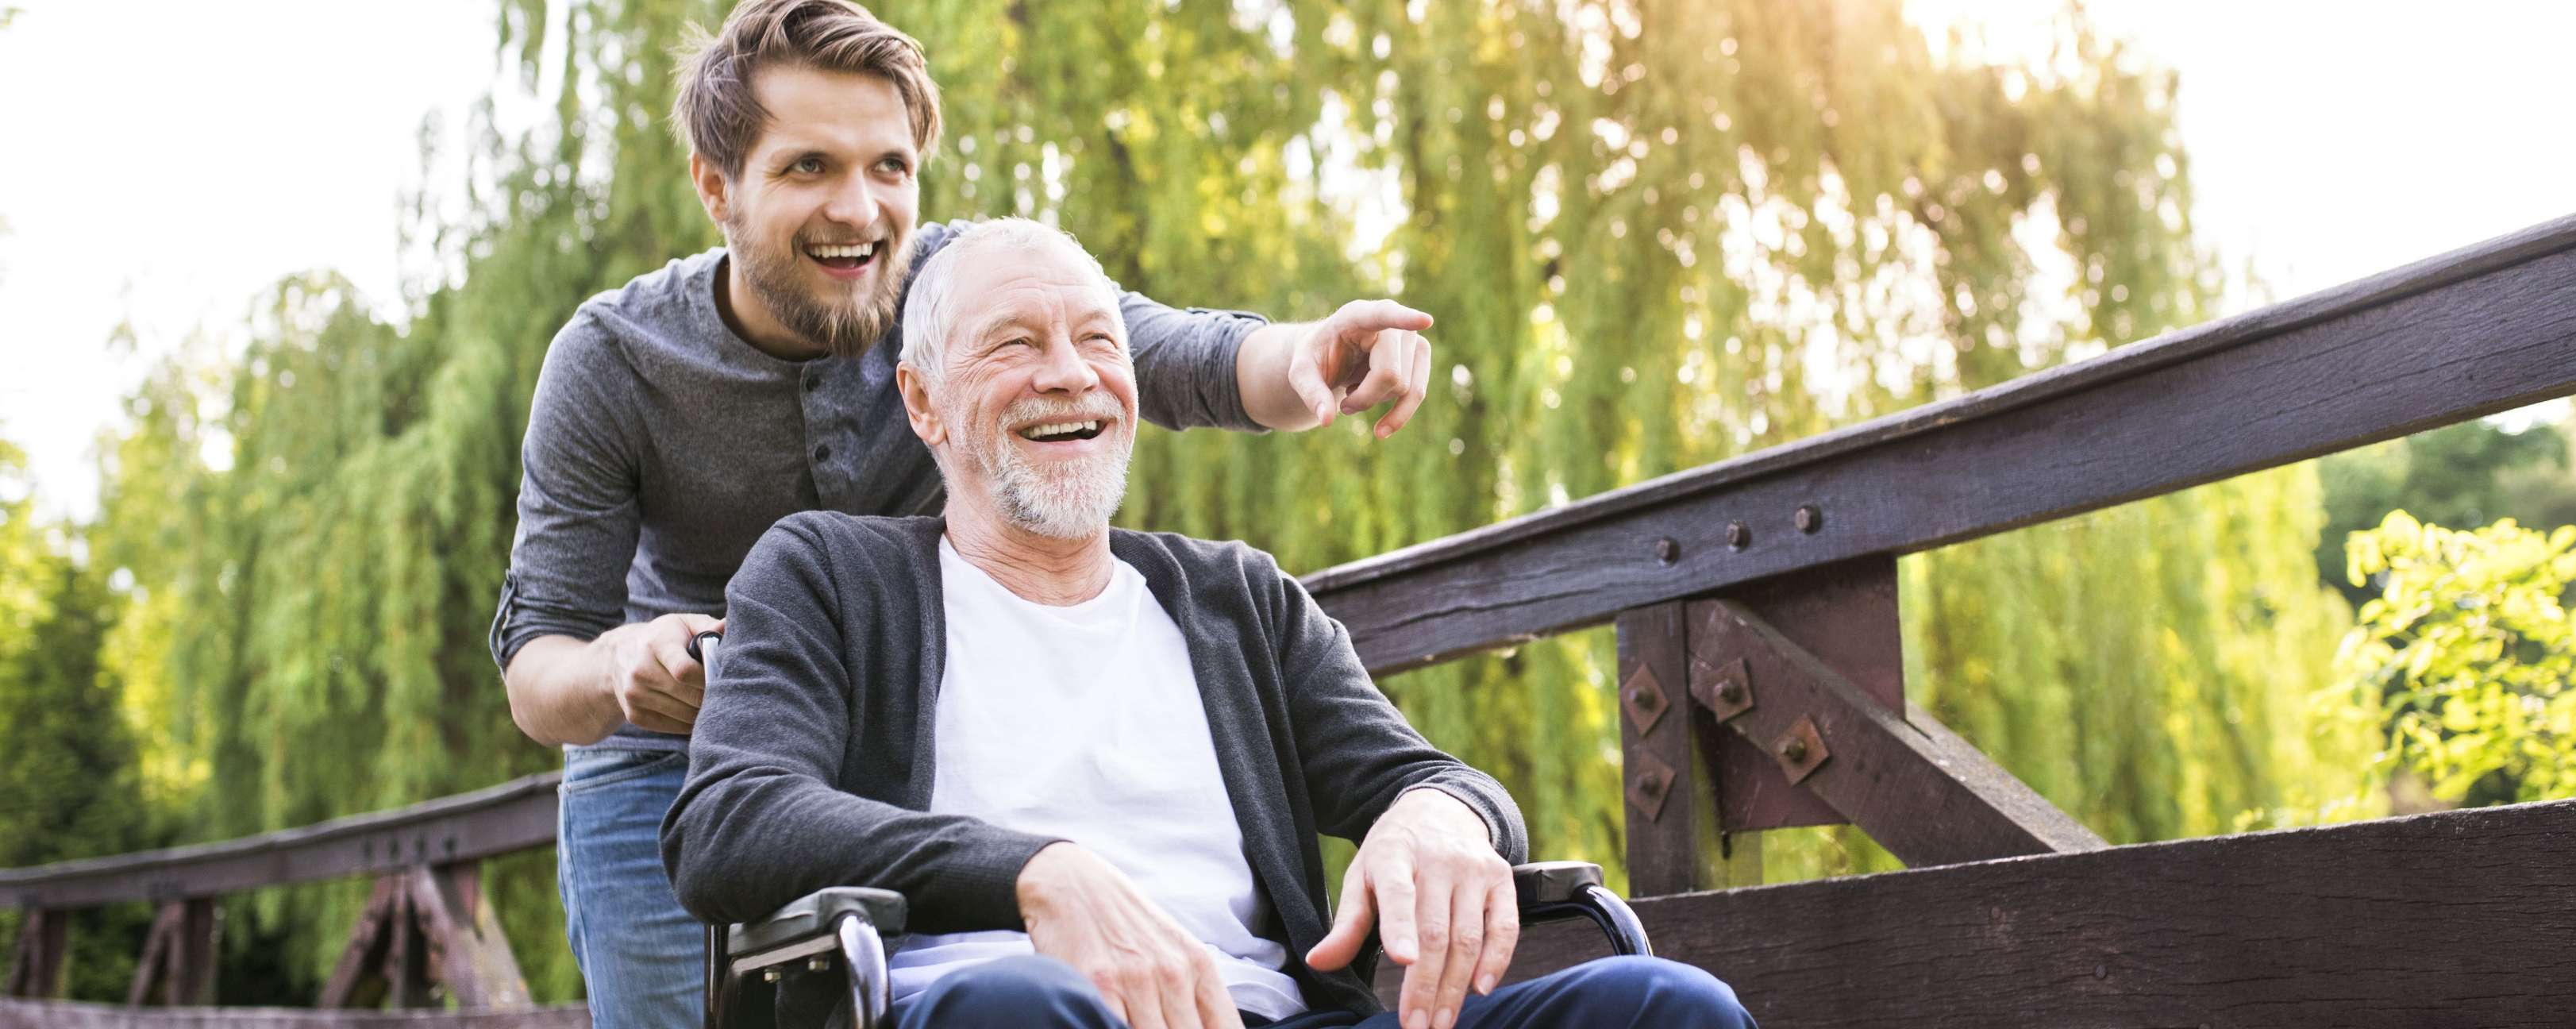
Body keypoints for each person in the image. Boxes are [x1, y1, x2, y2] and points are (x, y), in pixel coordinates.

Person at [489, 2, 1438, 1025]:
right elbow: (538, 667)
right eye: (809, 167)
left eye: (888, 167)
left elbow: (1167, 354)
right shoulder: (610, 362)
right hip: (670, 764)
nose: (859, 209)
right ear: (716, 186)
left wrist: (1308, 358)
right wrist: (617, 667)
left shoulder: (960, 288)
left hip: (898, 738)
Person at [663, 219, 1754, 1029]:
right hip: (1005, 1013)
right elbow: (732, 823)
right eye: (1014, 344)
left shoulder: (1238, 598)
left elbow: (1430, 779)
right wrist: (1038, 872)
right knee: (1023, 1007)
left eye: (1098, 340)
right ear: (923, 402)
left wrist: (1442, 814)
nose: (1068, 373)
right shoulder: (828, 575)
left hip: (1274, 1017)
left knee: (1663, 1005)